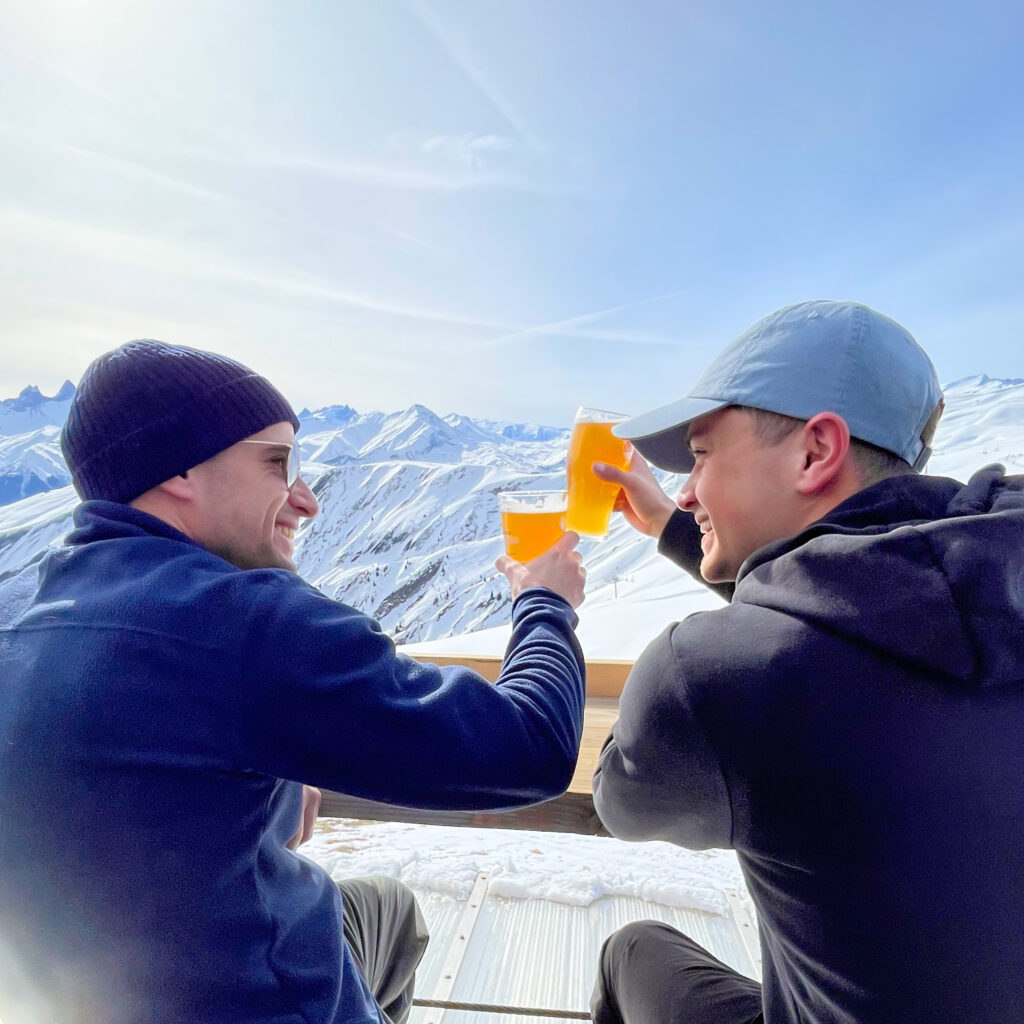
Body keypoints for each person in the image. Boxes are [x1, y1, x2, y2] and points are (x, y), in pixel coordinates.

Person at [0, 340, 587, 1024]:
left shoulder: (23, 607)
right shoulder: (243, 620)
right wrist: (545, 603)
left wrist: (271, 783)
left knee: (384, 909)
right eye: (277, 463)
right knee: (381, 918)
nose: (306, 501)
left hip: (72, 997)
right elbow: (529, 748)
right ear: (179, 472)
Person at [589, 300, 1024, 1024]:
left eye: (699, 455)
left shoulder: (705, 679)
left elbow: (622, 801)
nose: (688, 491)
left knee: (632, 954)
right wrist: (675, 527)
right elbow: (872, 602)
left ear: (816, 450)